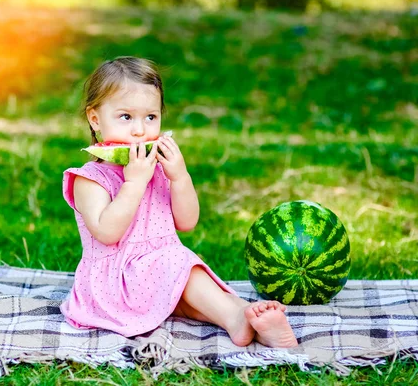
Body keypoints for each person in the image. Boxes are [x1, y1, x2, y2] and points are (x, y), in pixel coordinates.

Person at [60, 56, 298, 348]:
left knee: (187, 292)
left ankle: (246, 319)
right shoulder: (89, 179)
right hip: (116, 284)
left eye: (151, 117)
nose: (139, 130)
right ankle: (237, 316)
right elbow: (107, 232)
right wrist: (134, 184)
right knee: (180, 265)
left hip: (156, 276)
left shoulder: (156, 167)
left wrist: (180, 177)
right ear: (95, 119)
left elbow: (186, 222)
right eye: (126, 117)